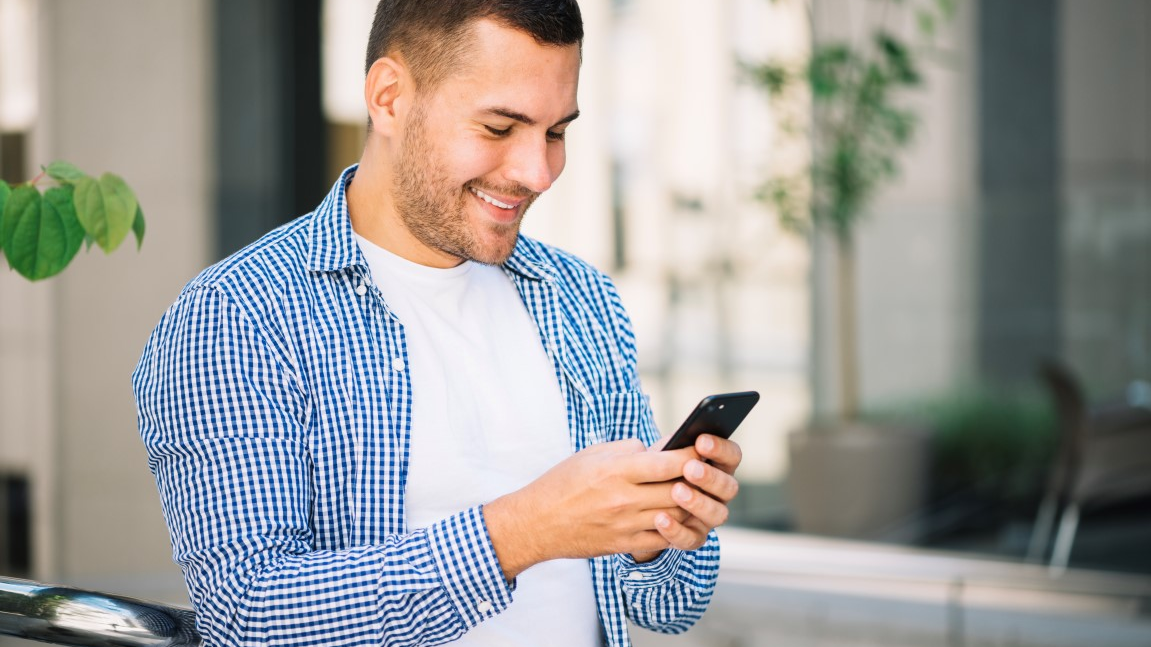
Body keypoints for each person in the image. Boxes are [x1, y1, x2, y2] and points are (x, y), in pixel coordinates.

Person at [133, 1, 743, 645]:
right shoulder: (239, 316)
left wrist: (670, 523)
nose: (537, 172)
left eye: (556, 132)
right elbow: (247, 617)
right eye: (500, 127)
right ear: (389, 98)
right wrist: (522, 532)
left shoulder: (580, 298)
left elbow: (668, 604)